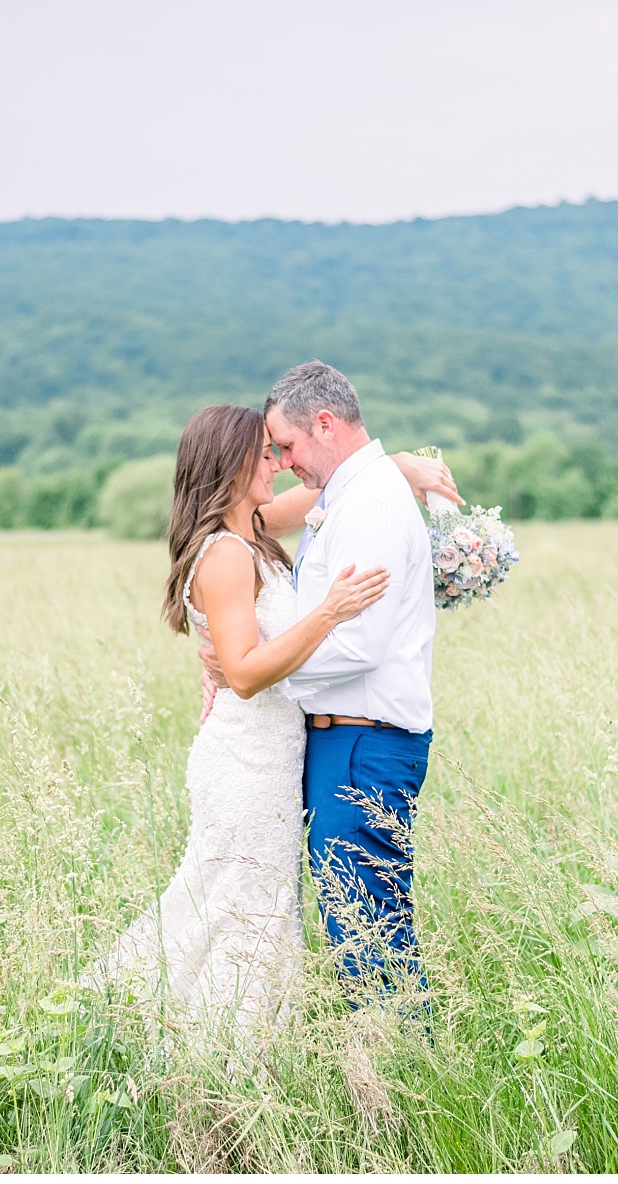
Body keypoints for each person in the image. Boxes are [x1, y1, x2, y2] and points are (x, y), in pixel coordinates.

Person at [86, 400, 456, 1039]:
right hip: (247, 761)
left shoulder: (251, 528)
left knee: (250, 907)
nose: (279, 466)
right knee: (242, 907)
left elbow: (336, 490)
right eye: (264, 456)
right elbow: (249, 674)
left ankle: (210, 1040)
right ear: (230, 467)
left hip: (274, 756)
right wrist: (329, 612)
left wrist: (400, 467)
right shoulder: (228, 555)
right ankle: (202, 1047)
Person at [203, 361, 445, 1008]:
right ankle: (391, 1070)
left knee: (369, 936)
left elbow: (357, 645)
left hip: (363, 744)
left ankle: (399, 1083)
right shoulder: (350, 495)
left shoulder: (366, 504)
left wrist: (252, 668)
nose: (282, 461)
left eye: (285, 445)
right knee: (359, 925)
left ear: (325, 424)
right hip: (345, 741)